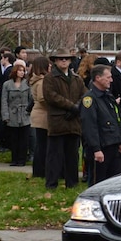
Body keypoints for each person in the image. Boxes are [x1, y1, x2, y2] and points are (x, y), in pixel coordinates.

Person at [42, 49, 87, 189]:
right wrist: (71, 107)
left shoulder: (77, 78)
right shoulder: (50, 78)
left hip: (73, 122)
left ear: (70, 61)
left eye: (66, 59)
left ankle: (72, 183)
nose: (64, 61)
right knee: (54, 156)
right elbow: (51, 96)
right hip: (58, 121)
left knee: (72, 156)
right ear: (55, 61)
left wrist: (77, 108)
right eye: (60, 59)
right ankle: (51, 183)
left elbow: (85, 95)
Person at [80, 64, 121, 185]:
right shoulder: (89, 99)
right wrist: (96, 149)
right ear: (98, 78)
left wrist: (119, 140)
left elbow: (115, 119)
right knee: (98, 182)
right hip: (101, 148)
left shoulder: (108, 96)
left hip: (112, 145)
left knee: (115, 181)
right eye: (108, 77)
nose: (111, 80)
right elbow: (89, 126)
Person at [1, 62, 32, 166]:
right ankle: (14, 159)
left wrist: (28, 111)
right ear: (15, 71)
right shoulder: (7, 84)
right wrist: (5, 115)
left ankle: (22, 159)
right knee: (13, 138)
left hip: (24, 114)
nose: (22, 72)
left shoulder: (27, 84)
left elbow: (31, 99)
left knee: (24, 139)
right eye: (20, 70)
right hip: (12, 113)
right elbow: (4, 101)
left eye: (23, 71)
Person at [28, 56, 50, 178]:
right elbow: (42, 99)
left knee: (41, 144)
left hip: (39, 114)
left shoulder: (37, 80)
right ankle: (40, 171)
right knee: (42, 145)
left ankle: (39, 170)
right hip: (42, 115)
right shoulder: (41, 81)